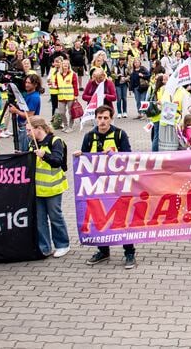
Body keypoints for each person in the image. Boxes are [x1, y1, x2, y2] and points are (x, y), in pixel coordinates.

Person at [74, 105, 137, 269]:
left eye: (105, 118)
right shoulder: (89, 136)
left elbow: (128, 157)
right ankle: (103, 250)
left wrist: (114, 155)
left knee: (122, 219)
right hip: (97, 186)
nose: (102, 121)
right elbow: (85, 158)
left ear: (111, 118)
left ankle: (129, 252)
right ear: (96, 118)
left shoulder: (119, 134)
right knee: (99, 218)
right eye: (99, 118)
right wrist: (80, 156)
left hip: (117, 186)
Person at [26, 115, 71, 258]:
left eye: (29, 130)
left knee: (55, 217)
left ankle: (63, 245)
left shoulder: (55, 141)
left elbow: (58, 161)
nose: (27, 133)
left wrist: (44, 155)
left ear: (38, 129)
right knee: (40, 220)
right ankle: (44, 247)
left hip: (53, 188)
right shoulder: (33, 143)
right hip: (38, 189)